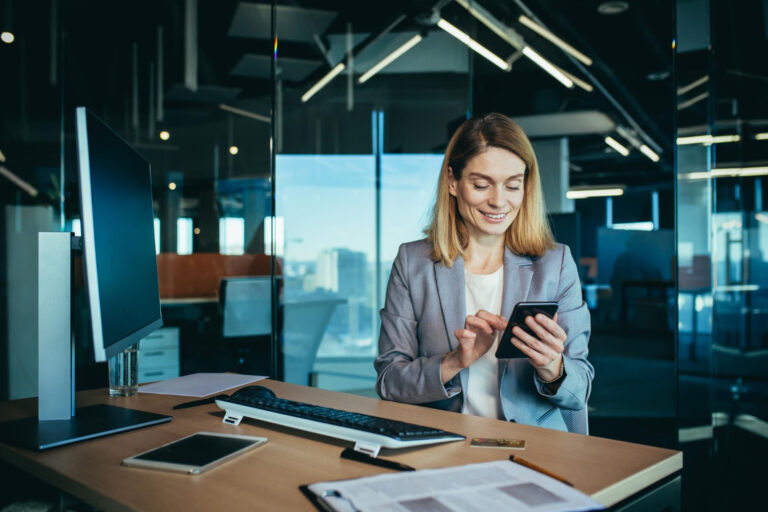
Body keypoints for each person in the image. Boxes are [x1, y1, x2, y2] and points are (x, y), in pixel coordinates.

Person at [374, 113, 593, 434]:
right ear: (452, 182)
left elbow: (580, 390)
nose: (498, 201)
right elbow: (389, 382)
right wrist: (454, 361)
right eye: (481, 184)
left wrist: (552, 367)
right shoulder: (413, 262)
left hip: (534, 444)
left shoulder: (556, 263)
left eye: (513, 185)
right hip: (441, 442)